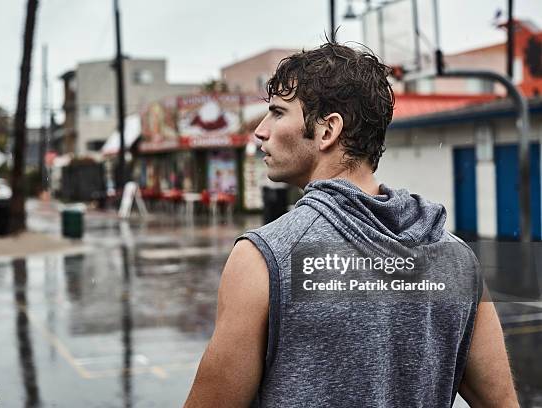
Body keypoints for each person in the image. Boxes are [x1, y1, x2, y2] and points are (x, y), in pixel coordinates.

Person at [184, 42, 518, 407]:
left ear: (327, 130)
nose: (260, 131)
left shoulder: (265, 259)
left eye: (278, 113)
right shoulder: (456, 260)